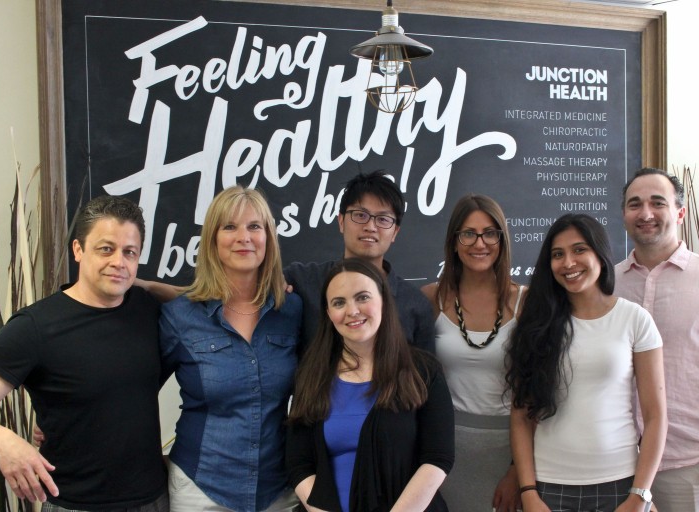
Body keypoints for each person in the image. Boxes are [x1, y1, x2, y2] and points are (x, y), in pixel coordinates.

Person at [0, 196, 168, 511]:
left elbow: (205, 298)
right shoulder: (36, 326)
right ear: (78, 250)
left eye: (129, 252)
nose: (118, 262)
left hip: (153, 500)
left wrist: (146, 285)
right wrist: (5, 441)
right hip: (73, 503)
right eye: (106, 249)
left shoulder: (148, 310)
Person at [506, 213, 667, 512]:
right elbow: (520, 417)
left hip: (621, 484)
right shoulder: (536, 325)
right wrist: (528, 492)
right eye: (558, 254)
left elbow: (655, 415)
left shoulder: (634, 319)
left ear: (600, 254)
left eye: (579, 250)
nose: (568, 263)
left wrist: (640, 495)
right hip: (548, 487)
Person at [158, 186, 302, 511]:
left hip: (278, 490)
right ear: (212, 239)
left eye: (254, 226)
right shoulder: (180, 316)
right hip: (201, 489)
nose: (244, 237)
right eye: (230, 227)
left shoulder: (292, 310)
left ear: (268, 237)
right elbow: (134, 391)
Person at [286, 258, 455, 512]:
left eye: (362, 297)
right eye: (339, 302)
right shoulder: (311, 375)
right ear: (329, 313)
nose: (352, 311)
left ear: (384, 301)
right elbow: (299, 464)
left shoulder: (423, 371)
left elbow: (437, 458)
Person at [421, 194, 523, 512]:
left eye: (490, 233)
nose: (480, 243)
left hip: (510, 448)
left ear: (502, 240)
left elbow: (538, 392)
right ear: (454, 242)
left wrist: (518, 472)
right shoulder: (431, 299)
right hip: (444, 449)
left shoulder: (526, 301)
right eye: (468, 233)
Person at [615, 167, 699, 512]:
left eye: (658, 203)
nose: (645, 213)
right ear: (624, 215)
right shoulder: (606, 285)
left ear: (680, 213)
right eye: (635, 204)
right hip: (617, 463)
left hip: (687, 464)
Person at [284, 170, 435, 353]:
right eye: (360, 215)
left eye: (383, 219)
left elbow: (426, 369)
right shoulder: (303, 280)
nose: (370, 227)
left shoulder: (415, 304)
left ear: (395, 232)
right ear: (341, 221)